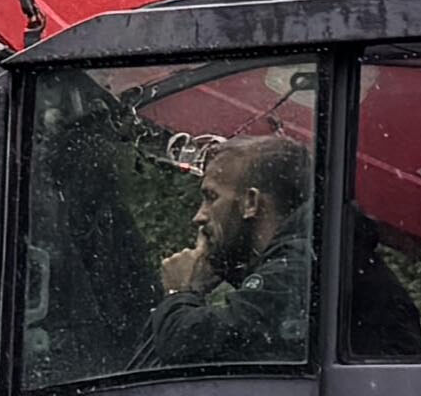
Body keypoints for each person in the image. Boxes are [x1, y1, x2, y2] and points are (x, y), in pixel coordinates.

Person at [136, 137, 319, 370]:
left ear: (251, 202)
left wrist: (179, 291)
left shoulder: (295, 269)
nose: (199, 216)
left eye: (211, 198)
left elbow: (188, 346)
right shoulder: (304, 256)